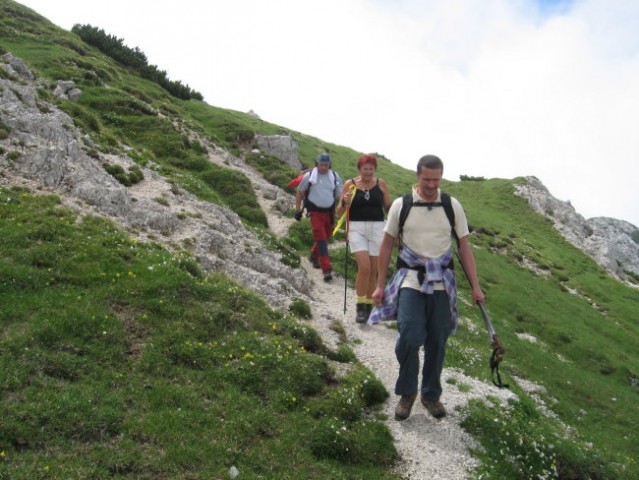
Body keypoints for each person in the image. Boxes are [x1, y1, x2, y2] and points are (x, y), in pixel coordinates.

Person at [370, 154, 484, 421]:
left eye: (436, 179)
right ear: (417, 176)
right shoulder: (402, 205)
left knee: (438, 340)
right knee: (409, 335)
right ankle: (407, 392)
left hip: (442, 282)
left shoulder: (451, 205)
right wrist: (379, 286)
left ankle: (430, 395)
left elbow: (464, 246)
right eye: (426, 179)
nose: (432, 185)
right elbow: (386, 244)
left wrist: (476, 287)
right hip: (410, 278)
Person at [336, 154, 391, 323]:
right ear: (359, 169)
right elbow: (339, 211)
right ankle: (360, 307)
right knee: (365, 267)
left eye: (371, 169)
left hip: (377, 228)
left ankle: (367, 308)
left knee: (374, 269)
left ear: (375, 170)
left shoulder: (380, 184)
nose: (368, 172)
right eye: (365, 169)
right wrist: (345, 202)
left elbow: (388, 207)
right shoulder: (350, 185)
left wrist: (398, 220)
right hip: (356, 228)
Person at [295, 153, 343, 282]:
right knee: (321, 239)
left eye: (326, 165)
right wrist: (298, 210)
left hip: (329, 213)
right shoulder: (310, 176)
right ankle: (326, 269)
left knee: (326, 236)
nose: (323, 167)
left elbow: (340, 194)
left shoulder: (334, 176)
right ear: (317, 164)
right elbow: (300, 192)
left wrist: (347, 199)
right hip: (315, 213)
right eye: (321, 164)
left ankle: (313, 255)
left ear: (329, 165)